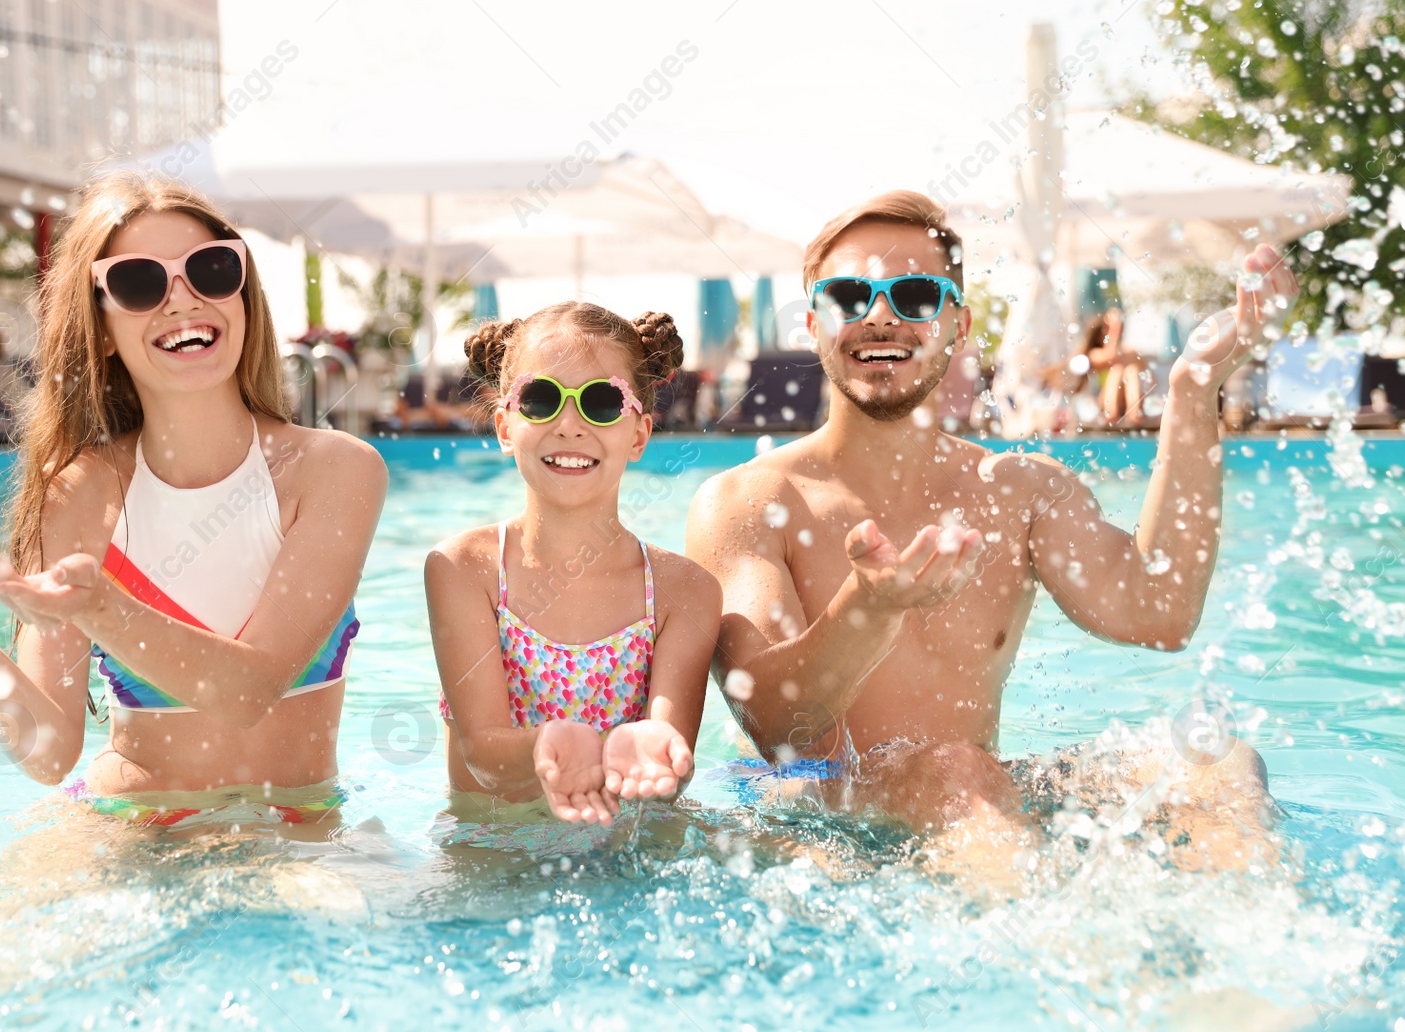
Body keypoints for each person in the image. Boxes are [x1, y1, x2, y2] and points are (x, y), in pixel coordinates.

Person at [686, 191, 1291, 869]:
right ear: (812, 322)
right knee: (959, 772)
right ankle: (1061, 962)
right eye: (849, 295)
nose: (879, 315)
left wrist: (1194, 387)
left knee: (1221, 761)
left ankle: (1274, 956)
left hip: (974, 799)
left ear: (959, 324)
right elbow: (776, 728)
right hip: (822, 815)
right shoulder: (749, 499)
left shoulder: (1019, 491)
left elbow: (1161, 611)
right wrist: (870, 609)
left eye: (914, 295)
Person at [0, 171, 387, 831]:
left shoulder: (334, 468)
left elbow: (248, 692)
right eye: (141, 283)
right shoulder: (80, 492)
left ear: (243, 293)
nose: (181, 299)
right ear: (102, 328)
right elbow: (49, 749)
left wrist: (104, 609)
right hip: (125, 824)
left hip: (294, 826)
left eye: (211, 269)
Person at [427, 304, 720, 825]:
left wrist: (656, 748)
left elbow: (668, 761)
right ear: (503, 426)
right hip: (495, 861)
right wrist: (548, 742)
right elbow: (482, 751)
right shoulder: (465, 570)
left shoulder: (683, 591)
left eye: (602, 403)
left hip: (628, 858)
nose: (568, 426)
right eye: (539, 400)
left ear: (639, 435)